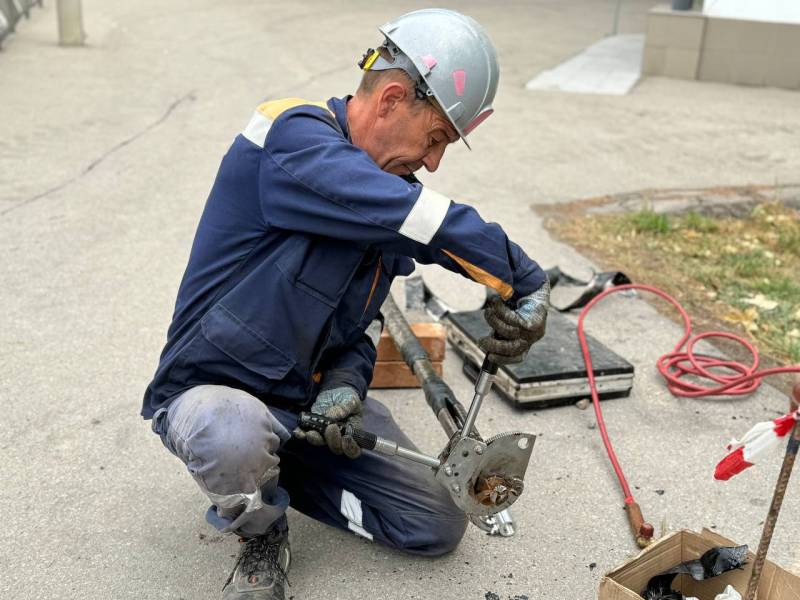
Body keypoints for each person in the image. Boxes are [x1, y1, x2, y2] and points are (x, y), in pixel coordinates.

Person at [142, 8, 550, 600]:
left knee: (434, 523)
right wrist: (522, 279)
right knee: (227, 431)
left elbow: (353, 328)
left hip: (301, 406)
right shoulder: (288, 137)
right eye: (436, 137)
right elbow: (435, 224)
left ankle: (273, 468)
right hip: (214, 393)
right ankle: (261, 526)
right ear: (389, 99)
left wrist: (345, 384)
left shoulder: (387, 198)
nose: (434, 161)